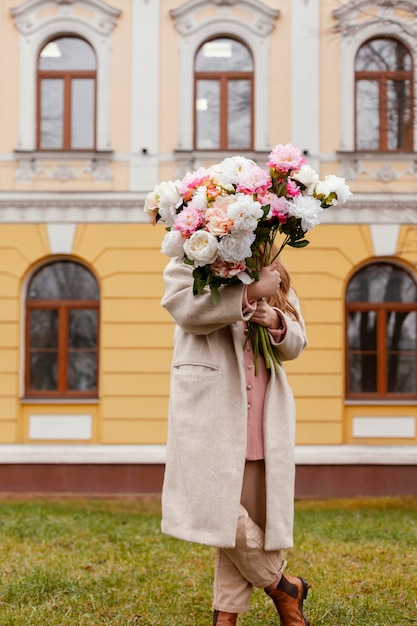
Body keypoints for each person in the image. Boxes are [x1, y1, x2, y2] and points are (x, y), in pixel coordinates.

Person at [160, 253, 310, 626]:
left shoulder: (274, 270)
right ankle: (284, 586)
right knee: (222, 511)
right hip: (212, 410)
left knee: (239, 525)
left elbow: (297, 343)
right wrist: (247, 294)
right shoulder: (190, 261)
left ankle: (225, 618)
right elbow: (185, 311)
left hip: (262, 412)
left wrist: (276, 319)